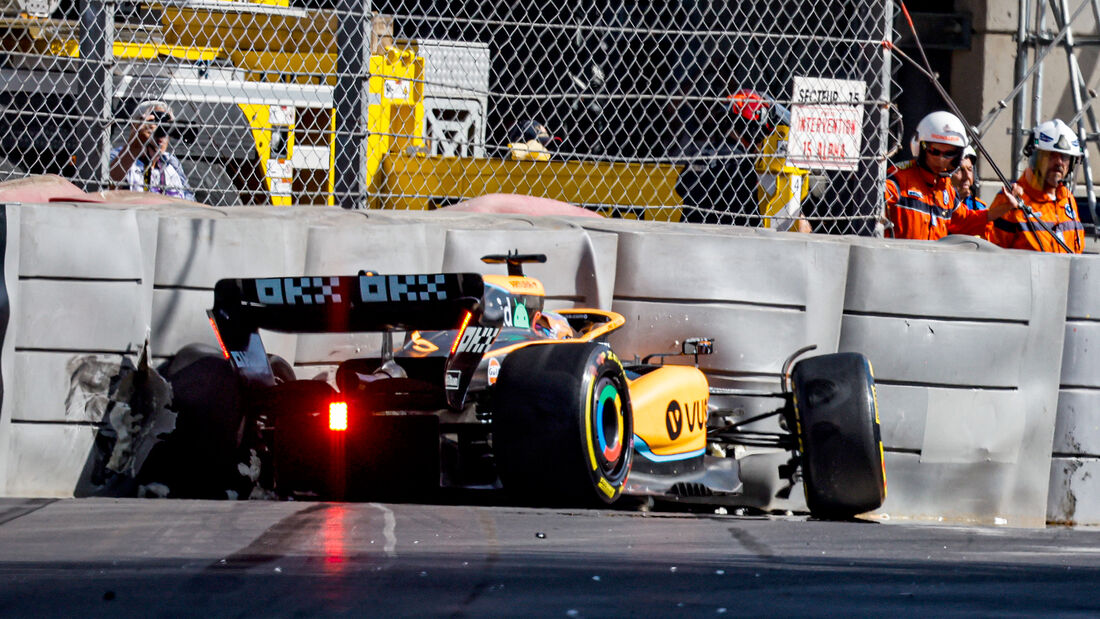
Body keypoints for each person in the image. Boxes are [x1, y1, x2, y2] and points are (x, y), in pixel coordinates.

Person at [884, 111, 1009, 240]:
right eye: (935, 151)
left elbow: (964, 221)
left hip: (936, 258)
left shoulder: (946, 190)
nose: (941, 159)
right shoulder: (898, 180)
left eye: (949, 154)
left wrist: (1004, 207)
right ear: (920, 147)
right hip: (900, 258)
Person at [987, 119, 1085, 254]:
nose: (1059, 162)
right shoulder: (1010, 199)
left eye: (1065, 156)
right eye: (1050, 155)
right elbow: (992, 256)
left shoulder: (1068, 199)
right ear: (1034, 158)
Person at [674, 90, 770, 226]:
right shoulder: (740, 163)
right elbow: (751, 218)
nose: (762, 141)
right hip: (726, 239)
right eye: (763, 134)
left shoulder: (704, 153)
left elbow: (681, 186)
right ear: (754, 130)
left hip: (690, 233)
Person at [109, 101, 195, 200]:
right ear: (135, 125)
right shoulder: (117, 156)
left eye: (167, 126)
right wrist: (134, 147)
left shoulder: (171, 162)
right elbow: (106, 189)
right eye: (154, 123)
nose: (161, 132)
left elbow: (189, 199)